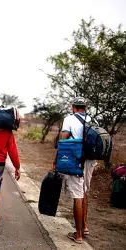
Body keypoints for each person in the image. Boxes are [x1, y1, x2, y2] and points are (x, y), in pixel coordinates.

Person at [54, 97, 97, 244]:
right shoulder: (93, 120)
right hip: (91, 161)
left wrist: (57, 160)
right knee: (84, 191)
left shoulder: (69, 119)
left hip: (76, 160)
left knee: (77, 195)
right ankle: (85, 226)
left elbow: (63, 141)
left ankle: (78, 235)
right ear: (85, 107)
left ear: (73, 107)